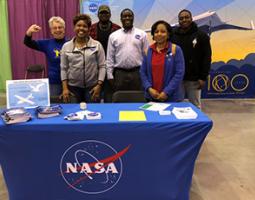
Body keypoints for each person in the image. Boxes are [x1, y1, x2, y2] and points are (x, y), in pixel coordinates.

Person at [60, 14, 106, 103]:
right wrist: (65, 88)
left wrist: (99, 85)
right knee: (74, 114)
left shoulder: (97, 45)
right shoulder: (66, 46)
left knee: (93, 114)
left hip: (92, 87)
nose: (81, 28)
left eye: (85, 26)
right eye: (78, 25)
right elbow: (63, 69)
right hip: (73, 88)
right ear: (74, 27)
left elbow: (102, 66)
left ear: (88, 29)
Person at [171, 9, 212, 108]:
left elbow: (207, 57)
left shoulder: (201, 35)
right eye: (181, 18)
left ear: (191, 19)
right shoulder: (173, 35)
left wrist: (203, 77)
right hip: (177, 78)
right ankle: (178, 123)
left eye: (186, 17)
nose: (184, 20)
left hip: (194, 79)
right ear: (179, 21)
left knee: (195, 106)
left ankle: (197, 124)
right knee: (176, 105)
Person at [140, 20, 185, 102]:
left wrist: (166, 92)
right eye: (156, 32)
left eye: (163, 31)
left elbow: (179, 74)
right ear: (153, 35)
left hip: (171, 97)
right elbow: (143, 72)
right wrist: (149, 89)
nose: (159, 34)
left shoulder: (176, 49)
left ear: (168, 35)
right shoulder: (148, 51)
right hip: (152, 96)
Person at [106, 8, 149, 92]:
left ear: (133, 18)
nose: (127, 18)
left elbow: (146, 56)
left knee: (138, 99)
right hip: (119, 73)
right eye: (124, 16)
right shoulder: (113, 36)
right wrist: (110, 75)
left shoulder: (142, 34)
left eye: (129, 16)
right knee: (120, 100)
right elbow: (110, 58)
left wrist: (147, 74)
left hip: (138, 72)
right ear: (121, 19)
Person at [24, 16, 67, 97]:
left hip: (70, 83)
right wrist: (29, 32)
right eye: (54, 28)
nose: (57, 30)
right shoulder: (47, 44)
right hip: (54, 83)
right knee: (55, 106)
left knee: (71, 105)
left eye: (60, 27)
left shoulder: (71, 43)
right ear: (51, 31)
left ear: (64, 29)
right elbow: (27, 42)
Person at [90, 5, 121, 102]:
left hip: (112, 66)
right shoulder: (91, 28)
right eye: (101, 13)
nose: (104, 15)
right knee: (95, 96)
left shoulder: (117, 28)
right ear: (98, 15)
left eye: (106, 13)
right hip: (95, 66)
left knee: (109, 96)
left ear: (110, 14)